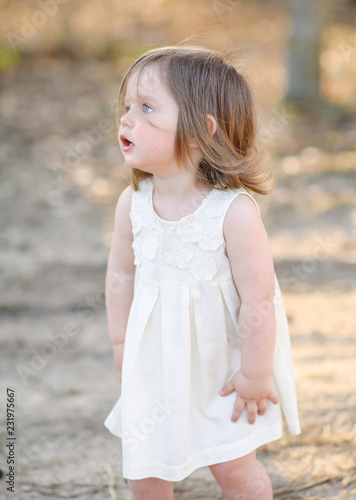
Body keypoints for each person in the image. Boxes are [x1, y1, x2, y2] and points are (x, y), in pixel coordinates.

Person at [104, 46, 301, 500]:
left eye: (147, 108)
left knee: (234, 468)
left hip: (222, 369)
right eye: (128, 107)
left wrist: (254, 374)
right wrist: (120, 342)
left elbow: (259, 298)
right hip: (156, 361)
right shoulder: (131, 205)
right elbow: (121, 276)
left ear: (200, 132)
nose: (127, 120)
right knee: (145, 471)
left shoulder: (233, 213)